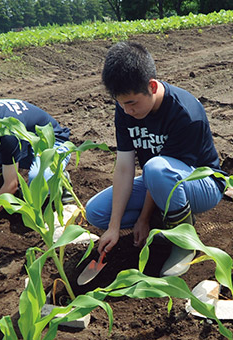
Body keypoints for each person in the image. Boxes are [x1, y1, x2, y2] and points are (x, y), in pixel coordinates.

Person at [85, 41, 225, 277]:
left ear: (151, 86)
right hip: (159, 179)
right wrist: (114, 227)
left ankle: (184, 241)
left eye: (132, 103)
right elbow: (123, 168)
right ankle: (165, 220)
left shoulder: (185, 113)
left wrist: (143, 218)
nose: (128, 111)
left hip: (202, 183)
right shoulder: (125, 108)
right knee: (96, 212)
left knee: (156, 169)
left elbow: (161, 174)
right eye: (121, 104)